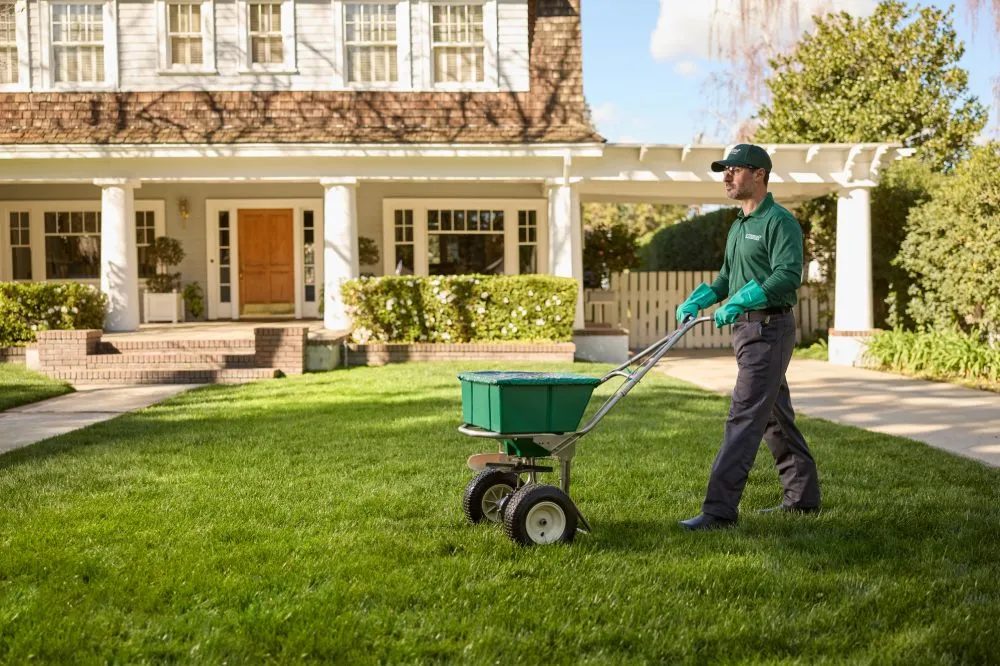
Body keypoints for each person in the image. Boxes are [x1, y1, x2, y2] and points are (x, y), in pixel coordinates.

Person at [675, 144, 821, 531]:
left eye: (735, 169)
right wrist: (704, 297)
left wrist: (746, 298)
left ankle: (719, 511)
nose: (727, 176)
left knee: (743, 416)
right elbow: (726, 276)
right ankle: (803, 497)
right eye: (724, 170)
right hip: (747, 330)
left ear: (759, 174)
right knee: (774, 416)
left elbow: (788, 276)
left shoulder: (779, 221)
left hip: (769, 328)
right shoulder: (738, 225)